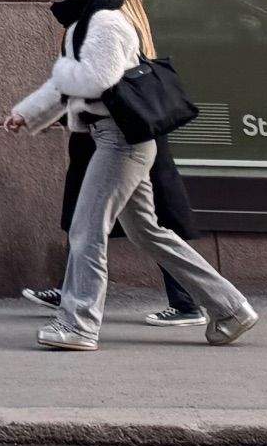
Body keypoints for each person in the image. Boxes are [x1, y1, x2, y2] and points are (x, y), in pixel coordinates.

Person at [8, 0, 256, 352]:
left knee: (87, 229)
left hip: (120, 141)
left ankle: (78, 325)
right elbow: (68, 85)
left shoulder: (106, 22)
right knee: (148, 233)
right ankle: (230, 309)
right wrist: (27, 113)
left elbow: (96, 80)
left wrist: (61, 75)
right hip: (118, 138)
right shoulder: (84, 22)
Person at [22, 108, 208, 328]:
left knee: (154, 226)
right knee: (85, 221)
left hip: (125, 140)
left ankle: (190, 303)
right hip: (105, 140)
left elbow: (94, 94)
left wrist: (43, 114)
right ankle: (70, 292)